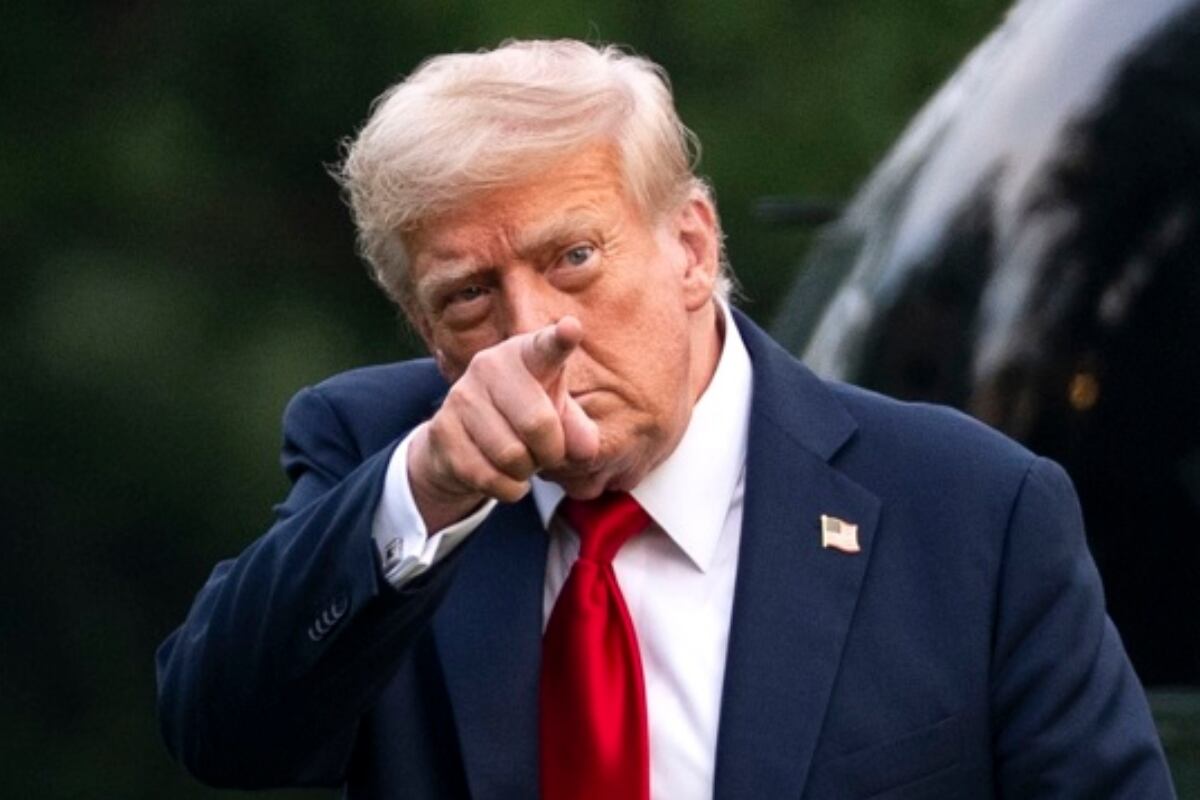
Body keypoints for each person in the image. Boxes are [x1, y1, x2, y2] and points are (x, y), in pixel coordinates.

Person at [156, 39, 1175, 799]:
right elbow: (224, 730)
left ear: (690, 246)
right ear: (429, 333)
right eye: (470, 296)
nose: (533, 330)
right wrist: (428, 489)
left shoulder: (973, 508)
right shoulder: (379, 454)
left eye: (574, 259)